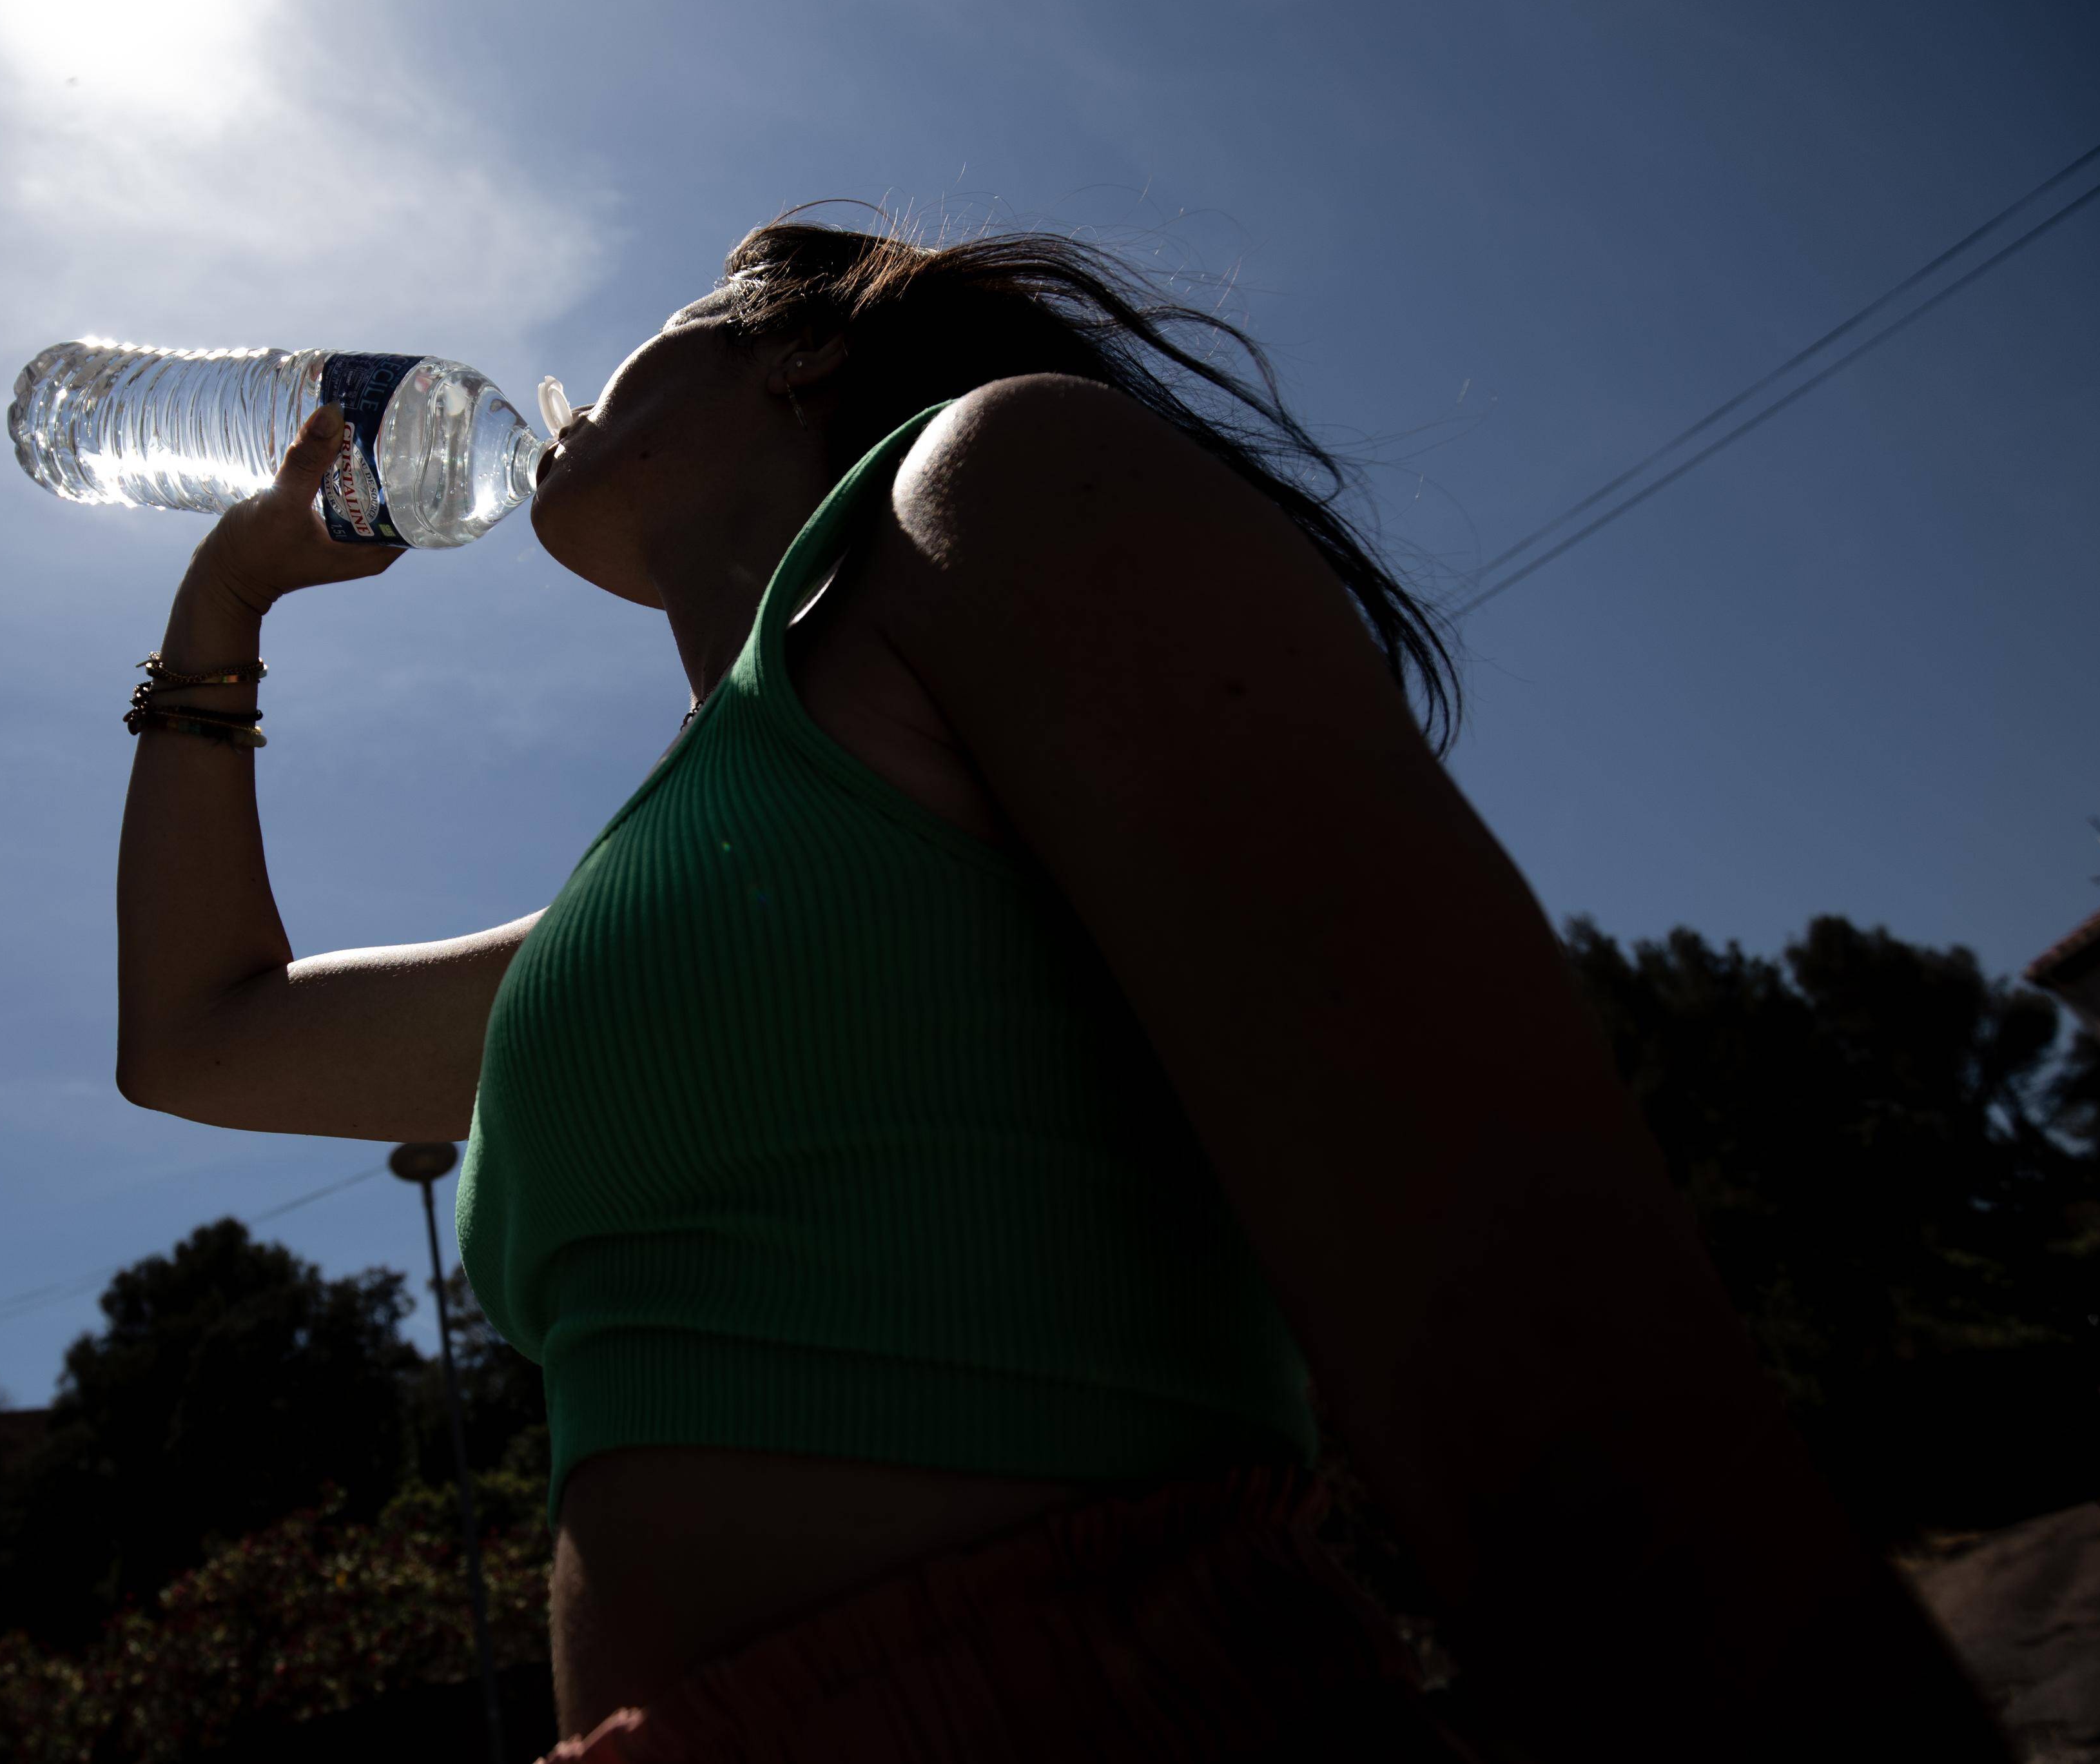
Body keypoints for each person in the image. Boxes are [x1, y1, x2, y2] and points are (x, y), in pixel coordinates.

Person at [111, 222, 2002, 1761]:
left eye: (655, 330)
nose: (574, 389)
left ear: (792, 357)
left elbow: (1536, 1306)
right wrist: (225, 607)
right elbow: (199, 1041)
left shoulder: (1002, 480)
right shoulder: (665, 908)